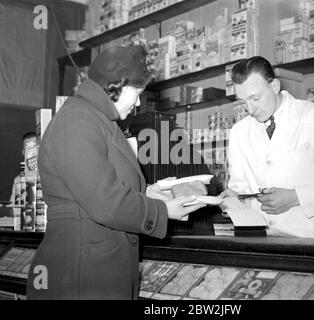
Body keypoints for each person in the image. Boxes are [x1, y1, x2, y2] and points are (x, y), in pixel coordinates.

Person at [26, 45, 205, 300]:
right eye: (139, 92)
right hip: (80, 278)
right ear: (118, 86)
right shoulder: (77, 121)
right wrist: (162, 211)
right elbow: (105, 203)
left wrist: (150, 193)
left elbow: (100, 186)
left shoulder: (96, 119)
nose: (140, 102)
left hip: (94, 271)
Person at [220, 56, 314, 239]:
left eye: (255, 98)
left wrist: (297, 196)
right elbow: (240, 189)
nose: (250, 109)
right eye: (242, 102)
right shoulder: (239, 132)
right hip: (261, 244)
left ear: (274, 86)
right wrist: (232, 200)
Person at [9, 132, 36, 206]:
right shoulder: (18, 180)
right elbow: (13, 209)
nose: (31, 153)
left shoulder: (51, 176)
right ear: (23, 152)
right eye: (28, 149)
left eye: (34, 148)